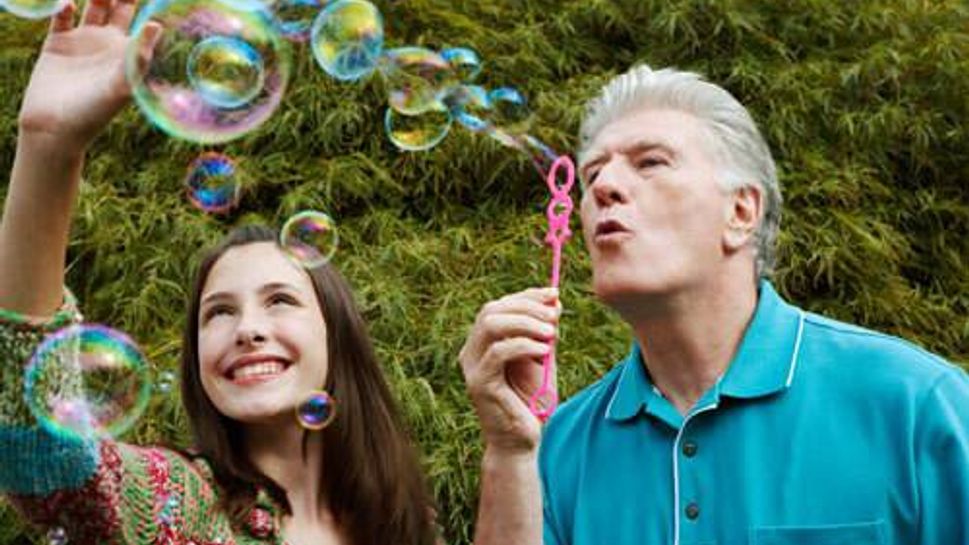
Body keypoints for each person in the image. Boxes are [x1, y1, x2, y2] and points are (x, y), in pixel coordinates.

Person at [460, 63, 969, 545]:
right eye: (592, 176)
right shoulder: (559, 446)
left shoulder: (914, 405)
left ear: (741, 211)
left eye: (650, 162)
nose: (605, 187)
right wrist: (508, 452)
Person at [0, 1, 439, 544]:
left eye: (279, 300)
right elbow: (39, 450)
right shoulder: (173, 506)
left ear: (336, 331)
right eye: (219, 312)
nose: (248, 329)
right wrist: (49, 146)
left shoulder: (406, 526)